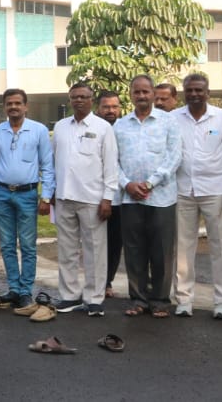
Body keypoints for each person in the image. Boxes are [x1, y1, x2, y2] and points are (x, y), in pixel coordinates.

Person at [171, 73, 222, 319]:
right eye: (190, 90)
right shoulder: (173, 118)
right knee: (182, 248)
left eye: (199, 90)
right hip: (182, 190)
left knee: (220, 247)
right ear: (184, 93)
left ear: (208, 92)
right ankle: (183, 300)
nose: (194, 94)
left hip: (216, 190)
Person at [115, 75, 183, 318]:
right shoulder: (120, 125)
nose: (142, 95)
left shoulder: (169, 121)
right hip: (130, 198)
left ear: (153, 93)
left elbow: (174, 156)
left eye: (146, 91)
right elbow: (112, 160)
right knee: (134, 251)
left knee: (161, 251)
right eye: (137, 91)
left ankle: (160, 301)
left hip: (162, 197)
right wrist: (127, 184)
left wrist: (150, 182)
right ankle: (138, 299)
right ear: (130, 94)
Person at [50, 83, 119, 317]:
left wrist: (107, 198)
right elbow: (53, 161)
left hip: (92, 199)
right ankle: (69, 296)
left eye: (83, 96)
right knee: (66, 251)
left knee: (95, 252)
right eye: (74, 97)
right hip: (64, 197)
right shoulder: (60, 127)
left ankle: (94, 299)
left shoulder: (103, 128)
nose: (78, 100)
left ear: (92, 100)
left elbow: (110, 165)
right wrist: (51, 192)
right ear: (69, 100)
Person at [0, 89, 54, 309]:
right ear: (4, 107)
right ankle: (14, 289)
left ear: (26, 106)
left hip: (27, 194)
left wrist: (46, 196)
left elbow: (47, 165)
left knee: (27, 245)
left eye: (18, 103)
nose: (14, 107)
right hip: (2, 193)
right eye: (9, 103)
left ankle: (26, 291)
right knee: (7, 245)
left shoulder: (38, 130)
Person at [96, 91, 124, 298]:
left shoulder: (125, 128)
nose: (110, 110)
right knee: (96, 242)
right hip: (95, 194)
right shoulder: (94, 128)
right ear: (98, 108)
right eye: (106, 107)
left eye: (114, 106)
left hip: (121, 196)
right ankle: (95, 280)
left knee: (115, 242)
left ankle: (107, 282)